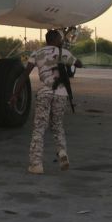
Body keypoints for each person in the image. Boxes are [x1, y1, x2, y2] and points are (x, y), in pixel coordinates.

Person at [19, 29, 80, 175]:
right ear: (56, 40)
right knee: (57, 126)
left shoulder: (37, 53)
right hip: (61, 94)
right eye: (60, 39)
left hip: (45, 93)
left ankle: (36, 164)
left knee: (39, 128)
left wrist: (15, 93)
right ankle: (62, 153)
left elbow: (24, 75)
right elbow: (78, 64)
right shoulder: (63, 53)